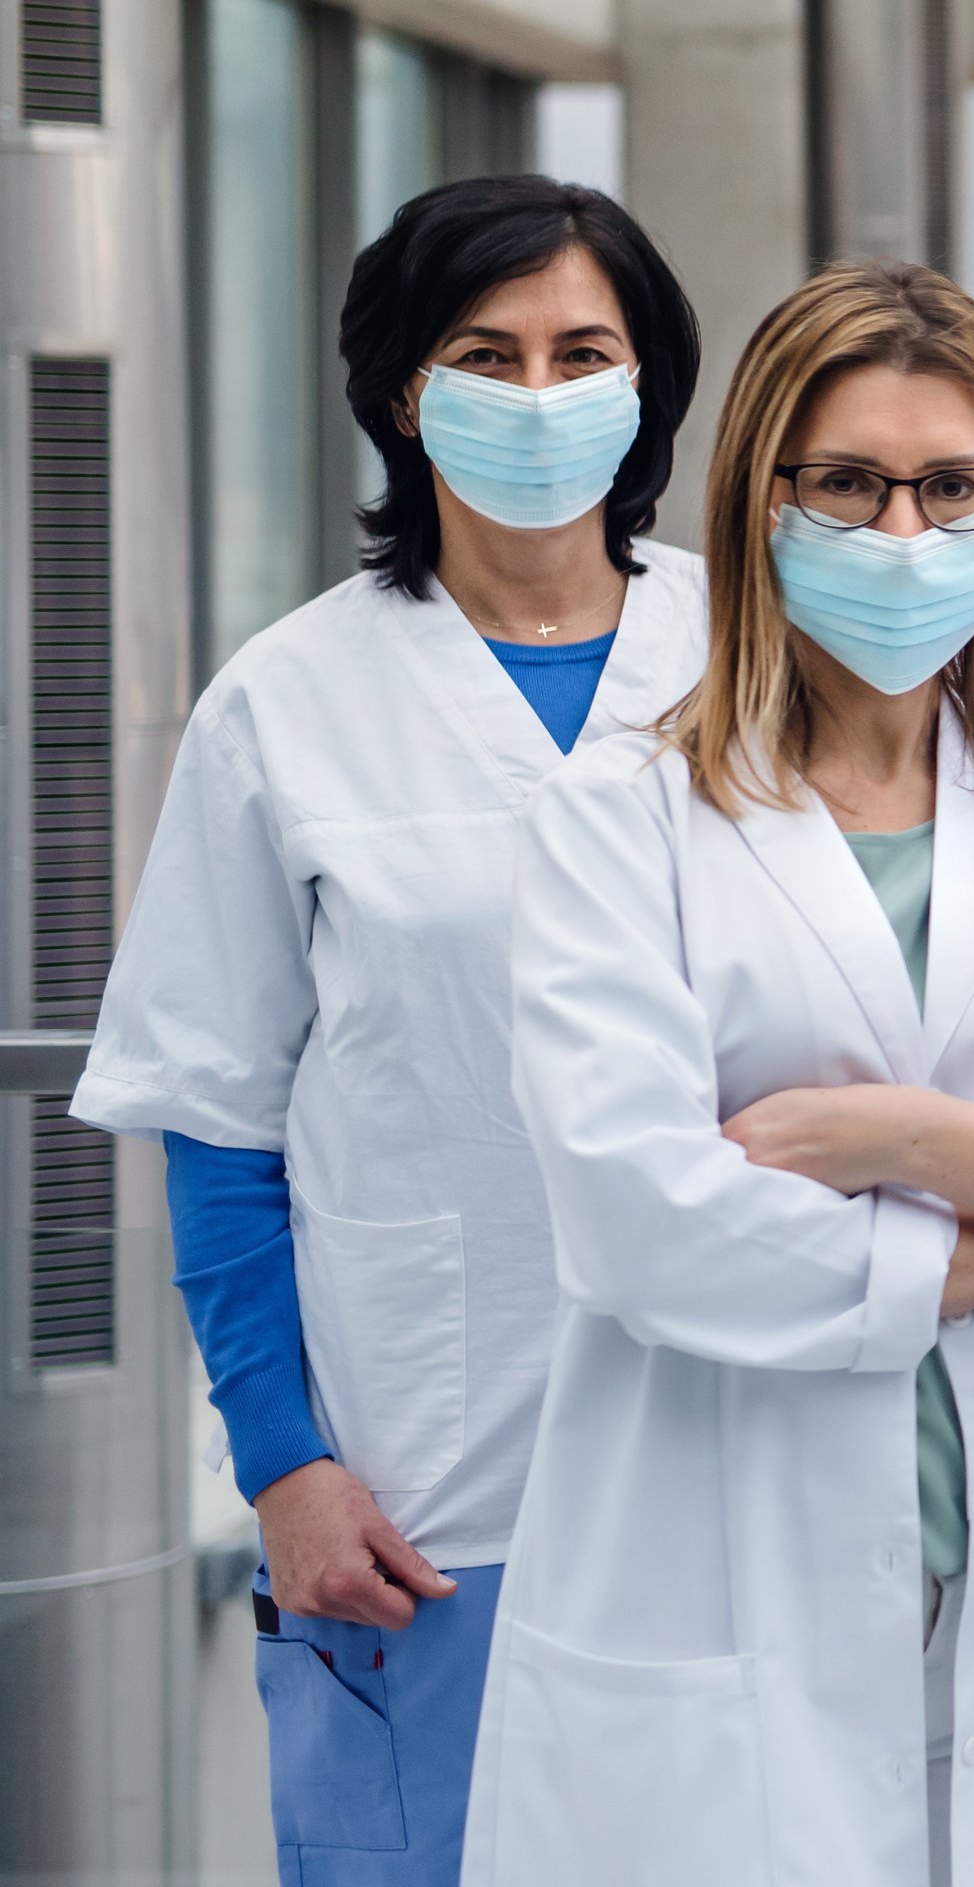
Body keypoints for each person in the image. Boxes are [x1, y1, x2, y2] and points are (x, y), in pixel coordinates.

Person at [463, 261, 974, 1887]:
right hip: (717, 1601)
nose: (903, 534)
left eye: (950, 487)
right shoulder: (622, 826)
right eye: (846, 484)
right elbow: (649, 1222)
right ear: (759, 499)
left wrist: (895, 1138)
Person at [72, 175, 710, 1882]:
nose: (537, 392)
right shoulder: (288, 704)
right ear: (399, 393)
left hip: (735, 1460)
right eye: (482, 354)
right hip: (424, 1496)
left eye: (584, 351)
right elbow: (215, 1122)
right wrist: (283, 1463)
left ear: (649, 384)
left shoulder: (756, 662)